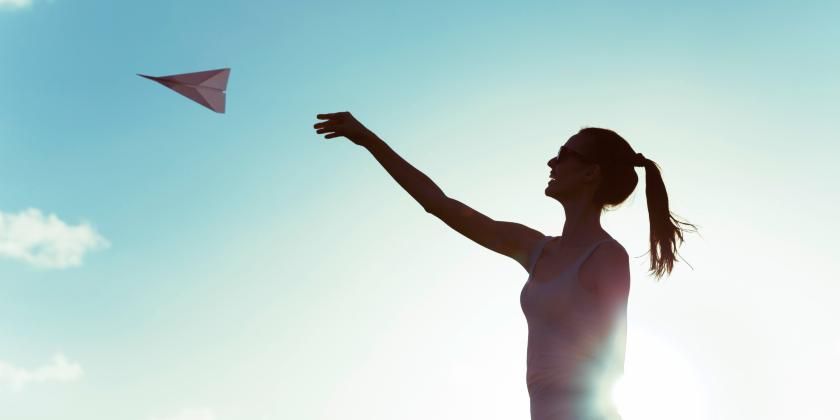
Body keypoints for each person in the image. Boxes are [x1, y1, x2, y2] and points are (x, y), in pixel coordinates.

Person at [313, 111, 695, 420]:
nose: (552, 161)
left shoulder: (607, 257)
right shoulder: (535, 248)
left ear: (590, 173)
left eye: (564, 153)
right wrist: (368, 140)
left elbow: (612, 365)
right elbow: (439, 204)